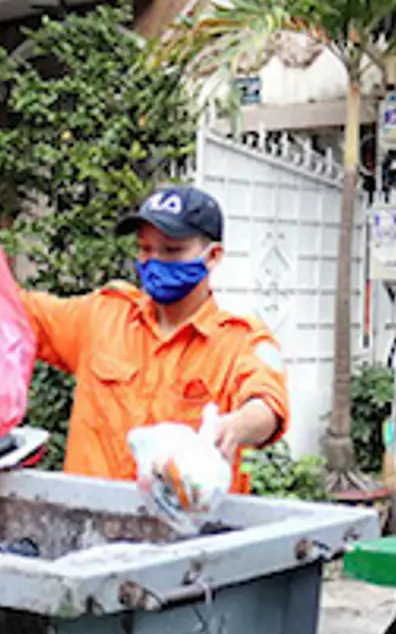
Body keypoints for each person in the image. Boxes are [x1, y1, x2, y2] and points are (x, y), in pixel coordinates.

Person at [19, 185, 289, 490]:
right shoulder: (102, 317)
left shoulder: (239, 341)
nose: (155, 261)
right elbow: (20, 313)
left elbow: (267, 404)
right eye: (145, 249)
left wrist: (233, 428)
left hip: (187, 529)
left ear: (212, 256)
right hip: (90, 525)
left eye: (172, 251)